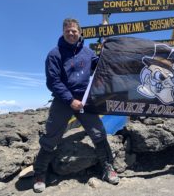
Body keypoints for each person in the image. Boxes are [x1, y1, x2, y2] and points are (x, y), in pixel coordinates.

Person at [33, 18, 119, 193]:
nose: (71, 33)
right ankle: (40, 173)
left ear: (80, 33)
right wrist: (69, 100)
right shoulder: (55, 54)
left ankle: (108, 168)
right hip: (63, 100)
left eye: (74, 30)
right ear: (63, 32)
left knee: (98, 132)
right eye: (68, 30)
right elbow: (53, 81)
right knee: (51, 135)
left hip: (85, 100)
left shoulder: (87, 53)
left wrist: (105, 52)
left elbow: (98, 66)